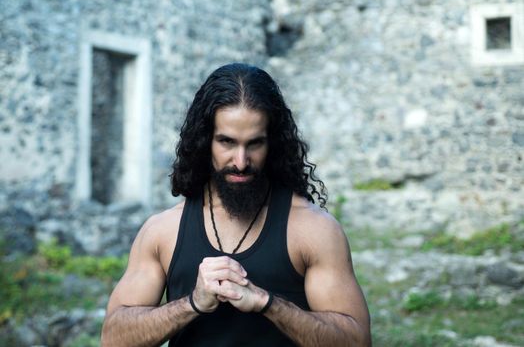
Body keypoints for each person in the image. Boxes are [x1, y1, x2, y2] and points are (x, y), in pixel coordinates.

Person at [101, 63, 371, 346]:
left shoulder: (313, 229)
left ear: (272, 144)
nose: (241, 162)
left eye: (254, 144)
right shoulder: (163, 231)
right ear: (206, 141)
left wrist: (268, 304)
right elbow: (113, 339)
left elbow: (357, 342)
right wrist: (191, 304)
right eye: (227, 142)